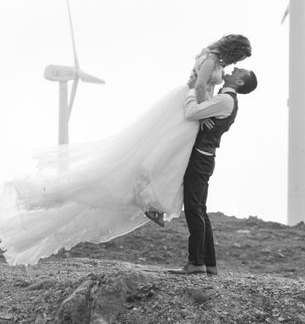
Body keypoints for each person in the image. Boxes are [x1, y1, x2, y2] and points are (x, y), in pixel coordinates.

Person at [0, 35, 252, 266]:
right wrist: (202, 107)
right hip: (186, 109)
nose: (236, 64)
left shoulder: (218, 71)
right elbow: (197, 87)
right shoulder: (211, 62)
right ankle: (152, 202)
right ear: (234, 50)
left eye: (239, 64)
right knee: (166, 157)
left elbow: (201, 92)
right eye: (240, 59)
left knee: (173, 161)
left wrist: (203, 109)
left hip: (192, 111)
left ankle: (156, 206)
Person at [167, 67, 257, 276]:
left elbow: (190, 112)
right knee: (200, 209)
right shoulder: (223, 99)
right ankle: (209, 263)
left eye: (239, 71)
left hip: (200, 157)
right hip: (205, 157)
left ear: (240, 82)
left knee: (193, 209)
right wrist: (203, 113)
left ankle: (196, 262)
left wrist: (191, 92)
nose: (234, 69)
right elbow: (200, 115)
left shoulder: (225, 100)